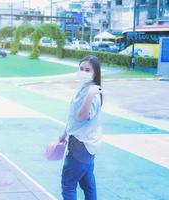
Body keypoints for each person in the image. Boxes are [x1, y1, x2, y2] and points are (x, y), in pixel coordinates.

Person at [59, 55, 103, 200]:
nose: (83, 72)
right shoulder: (83, 88)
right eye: (81, 69)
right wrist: (64, 133)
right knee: (87, 184)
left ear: (95, 72)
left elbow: (81, 116)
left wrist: (90, 94)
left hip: (81, 145)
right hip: (83, 144)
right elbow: (73, 116)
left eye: (87, 69)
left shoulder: (94, 94)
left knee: (68, 185)